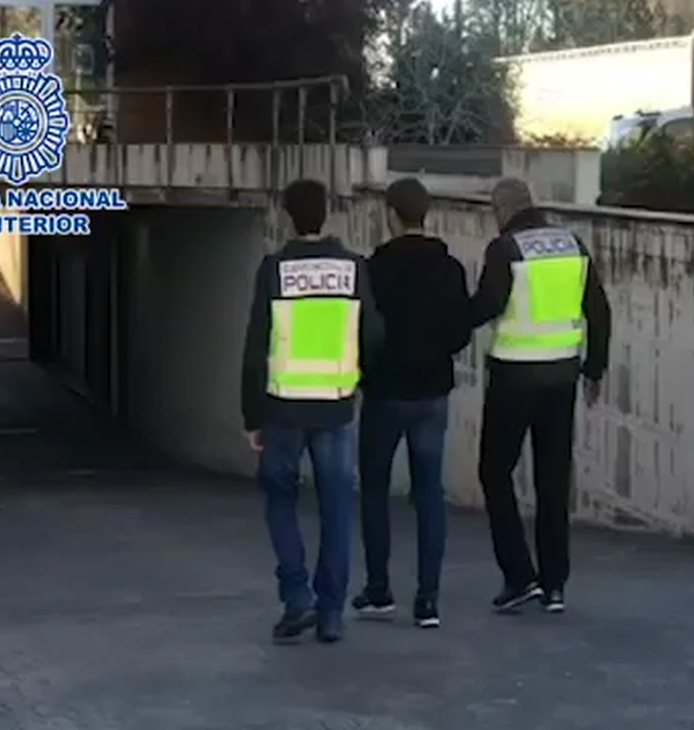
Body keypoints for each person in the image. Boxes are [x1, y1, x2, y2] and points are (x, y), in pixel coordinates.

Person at [240, 178, 384, 644]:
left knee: (280, 501)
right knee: (337, 509)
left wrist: (251, 416)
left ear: (288, 216)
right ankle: (331, 614)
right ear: (328, 213)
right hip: (336, 407)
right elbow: (374, 335)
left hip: (282, 409)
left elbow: (255, 346)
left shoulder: (274, 269)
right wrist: (360, 378)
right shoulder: (353, 268)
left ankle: (296, 597)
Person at [469, 177, 612, 614]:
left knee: (495, 473)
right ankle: (554, 585)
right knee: (552, 479)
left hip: (514, 377)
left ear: (502, 208)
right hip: (562, 376)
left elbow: (488, 305)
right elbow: (599, 309)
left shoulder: (506, 248)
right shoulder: (572, 244)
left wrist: (448, 321)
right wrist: (594, 369)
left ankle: (518, 576)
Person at [351, 178, 472, 629]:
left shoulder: (374, 268)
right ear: (428, 213)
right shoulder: (450, 268)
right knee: (429, 494)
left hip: (384, 392)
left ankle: (379, 589)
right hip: (433, 392)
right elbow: (461, 331)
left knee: (376, 491)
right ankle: (428, 600)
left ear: (390, 214)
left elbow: (363, 328)